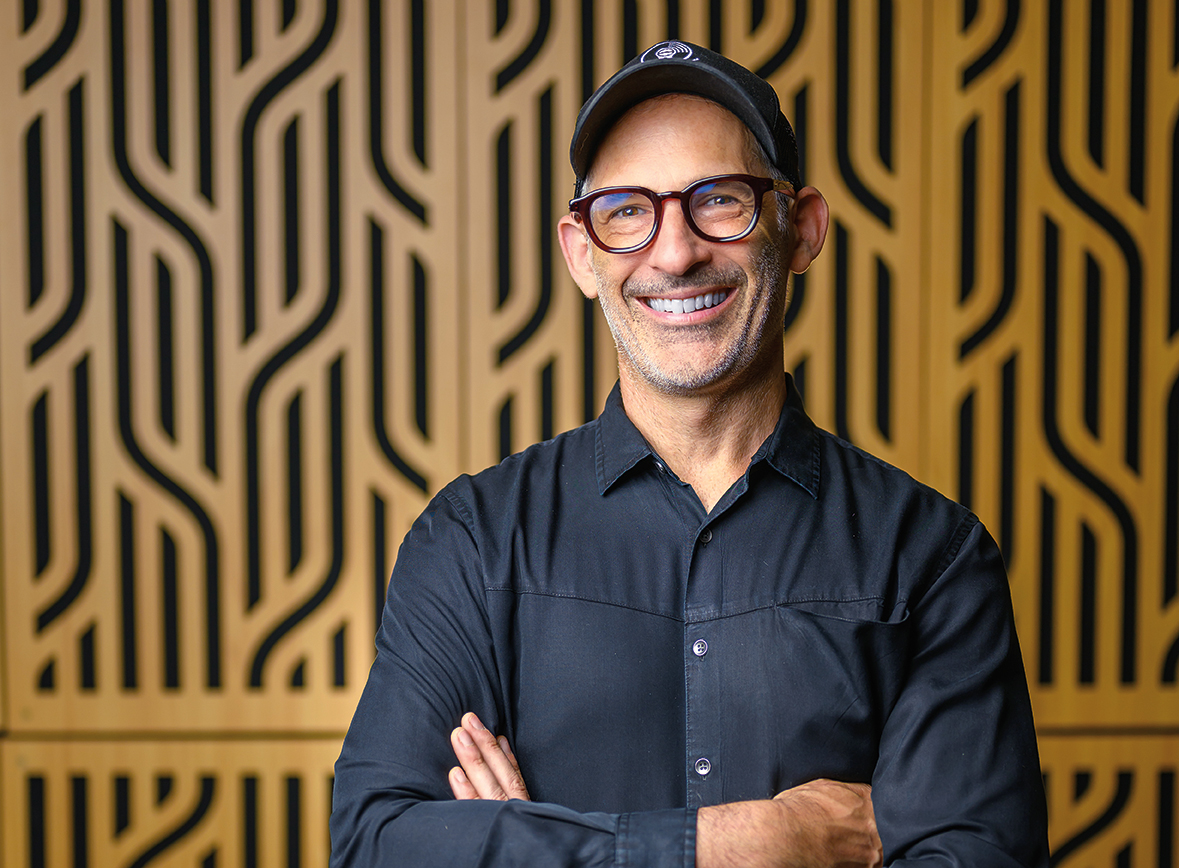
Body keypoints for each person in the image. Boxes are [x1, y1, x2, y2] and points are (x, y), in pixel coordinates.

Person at [331, 41, 1049, 867]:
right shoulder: (473, 540)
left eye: (719, 200)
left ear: (801, 229)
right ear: (581, 254)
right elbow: (375, 846)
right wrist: (755, 844)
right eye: (626, 211)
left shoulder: (930, 556)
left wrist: (530, 847)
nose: (674, 254)